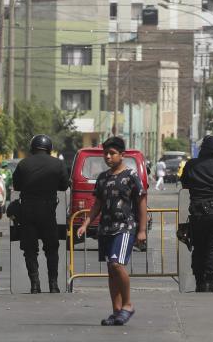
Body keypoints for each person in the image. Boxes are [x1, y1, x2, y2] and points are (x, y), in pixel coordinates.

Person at [77, 136, 147, 326]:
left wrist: (142, 230)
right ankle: (116, 311)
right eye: (105, 153)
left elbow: (141, 201)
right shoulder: (103, 178)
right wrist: (85, 223)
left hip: (125, 227)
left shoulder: (131, 175)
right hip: (106, 228)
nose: (108, 157)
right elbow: (97, 204)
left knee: (117, 264)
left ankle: (128, 305)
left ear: (121, 155)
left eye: (112, 153)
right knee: (111, 270)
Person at [12, 135, 70, 294]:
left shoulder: (23, 164)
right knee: (52, 249)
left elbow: (16, 186)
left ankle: (35, 284)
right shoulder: (58, 164)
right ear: (49, 148)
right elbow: (65, 186)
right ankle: (53, 284)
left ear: (32, 147)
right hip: (48, 212)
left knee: (30, 250)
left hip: (27, 212)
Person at [180, 135, 213, 293]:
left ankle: (199, 281)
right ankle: (209, 282)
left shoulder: (191, 164)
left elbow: (185, 184)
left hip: (198, 214)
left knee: (199, 247)